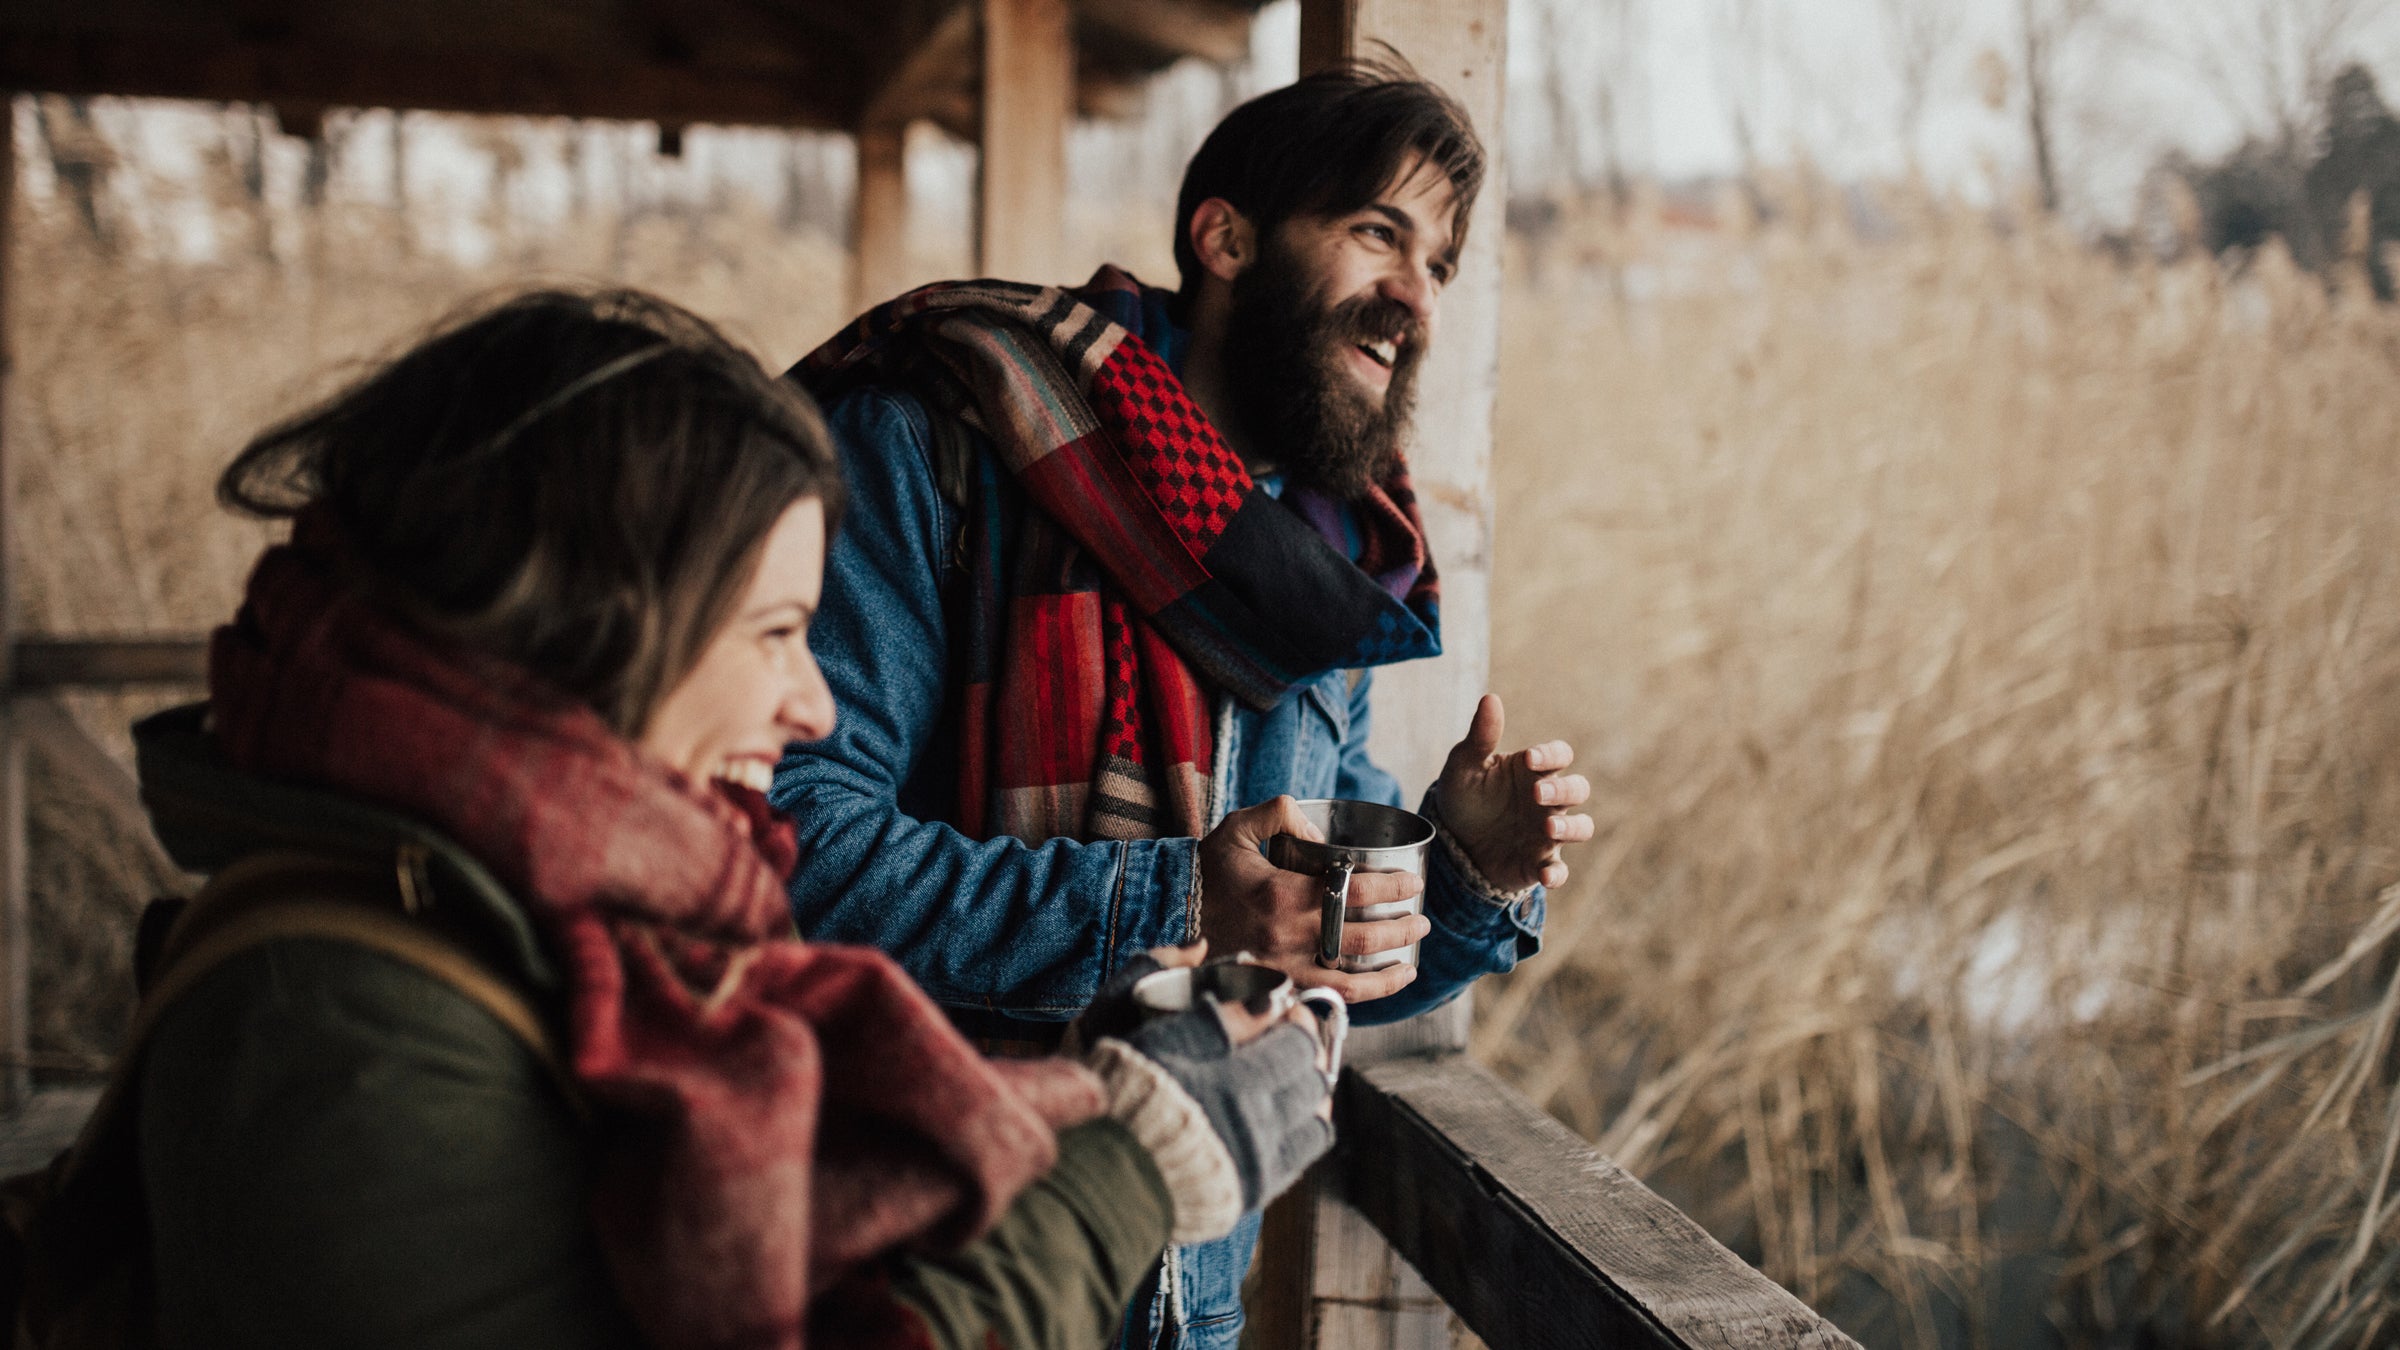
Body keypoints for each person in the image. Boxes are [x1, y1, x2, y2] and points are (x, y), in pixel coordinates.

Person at [115, 289, 1336, 1350]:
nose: (812, 707)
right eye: (772, 635)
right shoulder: (345, 1026)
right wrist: (1125, 1174)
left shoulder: (534, 908)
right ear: (586, 621)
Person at [771, 60, 1596, 1350]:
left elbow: (1310, 958)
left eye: (1439, 263)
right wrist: (1176, 904)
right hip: (915, 1261)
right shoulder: (939, 438)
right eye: (1379, 232)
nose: (1415, 300)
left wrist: (1465, 881)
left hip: (1177, 1295)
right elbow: (782, 844)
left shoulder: (1322, 575)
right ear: (1225, 238)